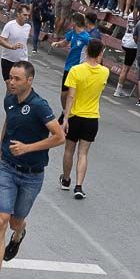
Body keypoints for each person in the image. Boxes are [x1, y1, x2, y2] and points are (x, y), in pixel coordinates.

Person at [0, 61, 65, 279]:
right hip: (7, 168)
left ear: (30, 81)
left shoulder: (39, 106)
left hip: (32, 175)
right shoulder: (9, 100)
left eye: (17, 79)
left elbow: (59, 137)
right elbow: (8, 125)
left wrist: (28, 148)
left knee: (16, 221)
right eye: (10, 78)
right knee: (0, 220)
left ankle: (19, 234)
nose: (11, 82)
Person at [60, 39, 109, 199]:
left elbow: (71, 95)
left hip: (75, 116)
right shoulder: (104, 72)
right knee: (83, 154)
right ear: (100, 53)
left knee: (69, 150)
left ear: (86, 51)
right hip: (92, 117)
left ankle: (66, 179)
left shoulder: (76, 70)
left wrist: (65, 118)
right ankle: (79, 186)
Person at [50, 11, 94, 119]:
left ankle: (71, 114)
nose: (70, 24)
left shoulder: (86, 37)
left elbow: (97, 48)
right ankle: (66, 111)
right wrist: (57, 44)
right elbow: (64, 42)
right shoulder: (72, 33)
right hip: (68, 67)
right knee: (64, 94)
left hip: (79, 69)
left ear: (74, 22)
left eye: (71, 22)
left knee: (73, 93)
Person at [0, 3, 32, 88]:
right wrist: (12, 47)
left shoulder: (28, 27)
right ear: (18, 14)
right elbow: (1, 41)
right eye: (24, 15)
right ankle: (9, 101)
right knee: (10, 86)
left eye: (28, 15)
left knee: (20, 86)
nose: (26, 17)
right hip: (8, 59)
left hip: (22, 60)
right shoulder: (10, 25)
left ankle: (19, 101)